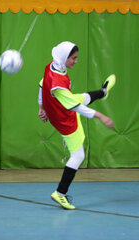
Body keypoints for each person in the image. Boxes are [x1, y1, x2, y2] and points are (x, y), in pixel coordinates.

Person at [38, 41, 116, 210]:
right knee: (78, 156)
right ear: (64, 57)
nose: (75, 61)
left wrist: (42, 106)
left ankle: (102, 92)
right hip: (64, 119)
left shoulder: (53, 65)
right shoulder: (57, 84)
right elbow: (76, 108)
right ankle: (60, 193)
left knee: (81, 97)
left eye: (76, 58)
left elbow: (41, 84)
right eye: (73, 58)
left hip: (57, 107)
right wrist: (101, 116)